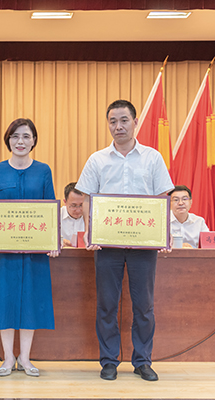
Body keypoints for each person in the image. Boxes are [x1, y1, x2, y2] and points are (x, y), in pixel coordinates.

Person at [76, 99, 174, 382]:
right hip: (107, 245)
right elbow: (86, 200)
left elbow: (162, 199)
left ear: (135, 122)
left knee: (144, 306)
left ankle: (142, 361)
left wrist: (163, 234)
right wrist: (89, 232)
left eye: (123, 120)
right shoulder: (97, 160)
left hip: (143, 246)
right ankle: (109, 361)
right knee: (107, 304)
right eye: (112, 121)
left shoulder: (153, 158)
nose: (118, 126)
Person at [0, 118, 59, 377]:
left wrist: (53, 241)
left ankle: (25, 358)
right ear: (8, 140)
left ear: (34, 140)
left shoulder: (43, 171)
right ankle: (7, 357)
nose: (20, 141)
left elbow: (50, 208)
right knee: (4, 301)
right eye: (15, 136)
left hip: (35, 252)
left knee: (30, 302)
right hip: (4, 252)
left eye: (26, 136)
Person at [61, 182, 85, 247]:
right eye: (73, 205)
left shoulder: (92, 216)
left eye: (81, 205)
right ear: (65, 202)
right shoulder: (56, 216)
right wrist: (60, 242)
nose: (78, 210)